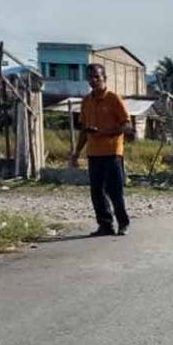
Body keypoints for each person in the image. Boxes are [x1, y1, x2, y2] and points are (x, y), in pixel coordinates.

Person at [70, 63, 132, 236]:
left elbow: (126, 125)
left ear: (104, 78)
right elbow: (83, 130)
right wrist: (76, 153)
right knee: (97, 192)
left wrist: (104, 132)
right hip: (94, 153)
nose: (93, 80)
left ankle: (123, 223)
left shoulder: (114, 99)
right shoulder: (86, 101)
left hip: (112, 152)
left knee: (115, 191)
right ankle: (105, 225)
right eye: (90, 77)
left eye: (97, 77)